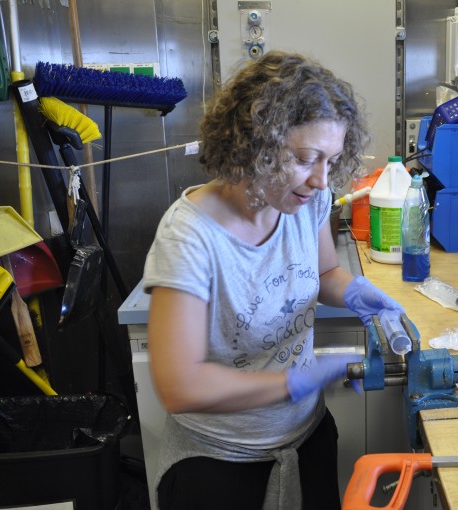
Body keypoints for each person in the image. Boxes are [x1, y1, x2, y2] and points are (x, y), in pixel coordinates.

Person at [142, 51, 405, 510]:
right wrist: (293, 382)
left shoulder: (305, 202)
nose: (323, 180)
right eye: (306, 158)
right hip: (219, 462)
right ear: (254, 145)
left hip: (306, 440)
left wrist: (357, 293)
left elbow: (325, 272)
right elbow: (179, 387)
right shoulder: (189, 236)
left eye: (332, 159)